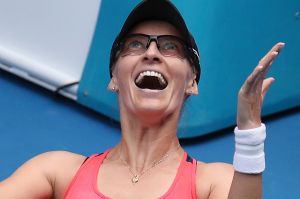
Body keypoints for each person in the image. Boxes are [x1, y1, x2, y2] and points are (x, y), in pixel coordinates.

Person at [0, 0, 285, 198]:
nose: (151, 52)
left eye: (170, 46)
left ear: (191, 82)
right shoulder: (54, 171)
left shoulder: (213, 183)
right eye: (135, 44)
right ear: (114, 79)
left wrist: (250, 135)